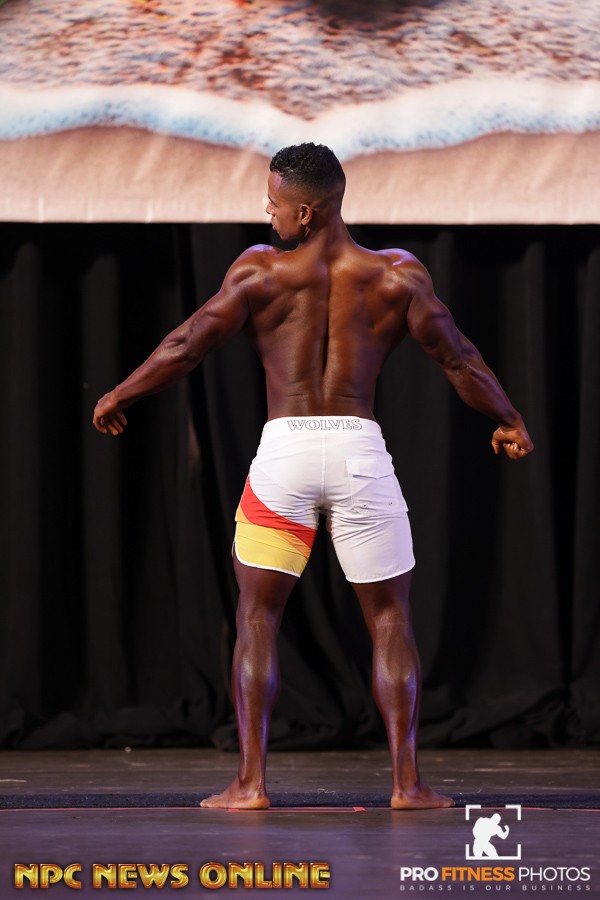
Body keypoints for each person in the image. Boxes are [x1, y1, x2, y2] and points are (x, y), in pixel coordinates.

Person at [93, 143, 533, 810]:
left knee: (257, 617)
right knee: (390, 619)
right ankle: (407, 785)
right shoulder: (397, 275)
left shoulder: (258, 272)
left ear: (306, 211)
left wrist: (119, 394)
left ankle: (250, 785)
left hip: (285, 457)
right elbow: (459, 359)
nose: (266, 213)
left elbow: (186, 344)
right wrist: (508, 417)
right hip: (359, 456)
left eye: (274, 203)